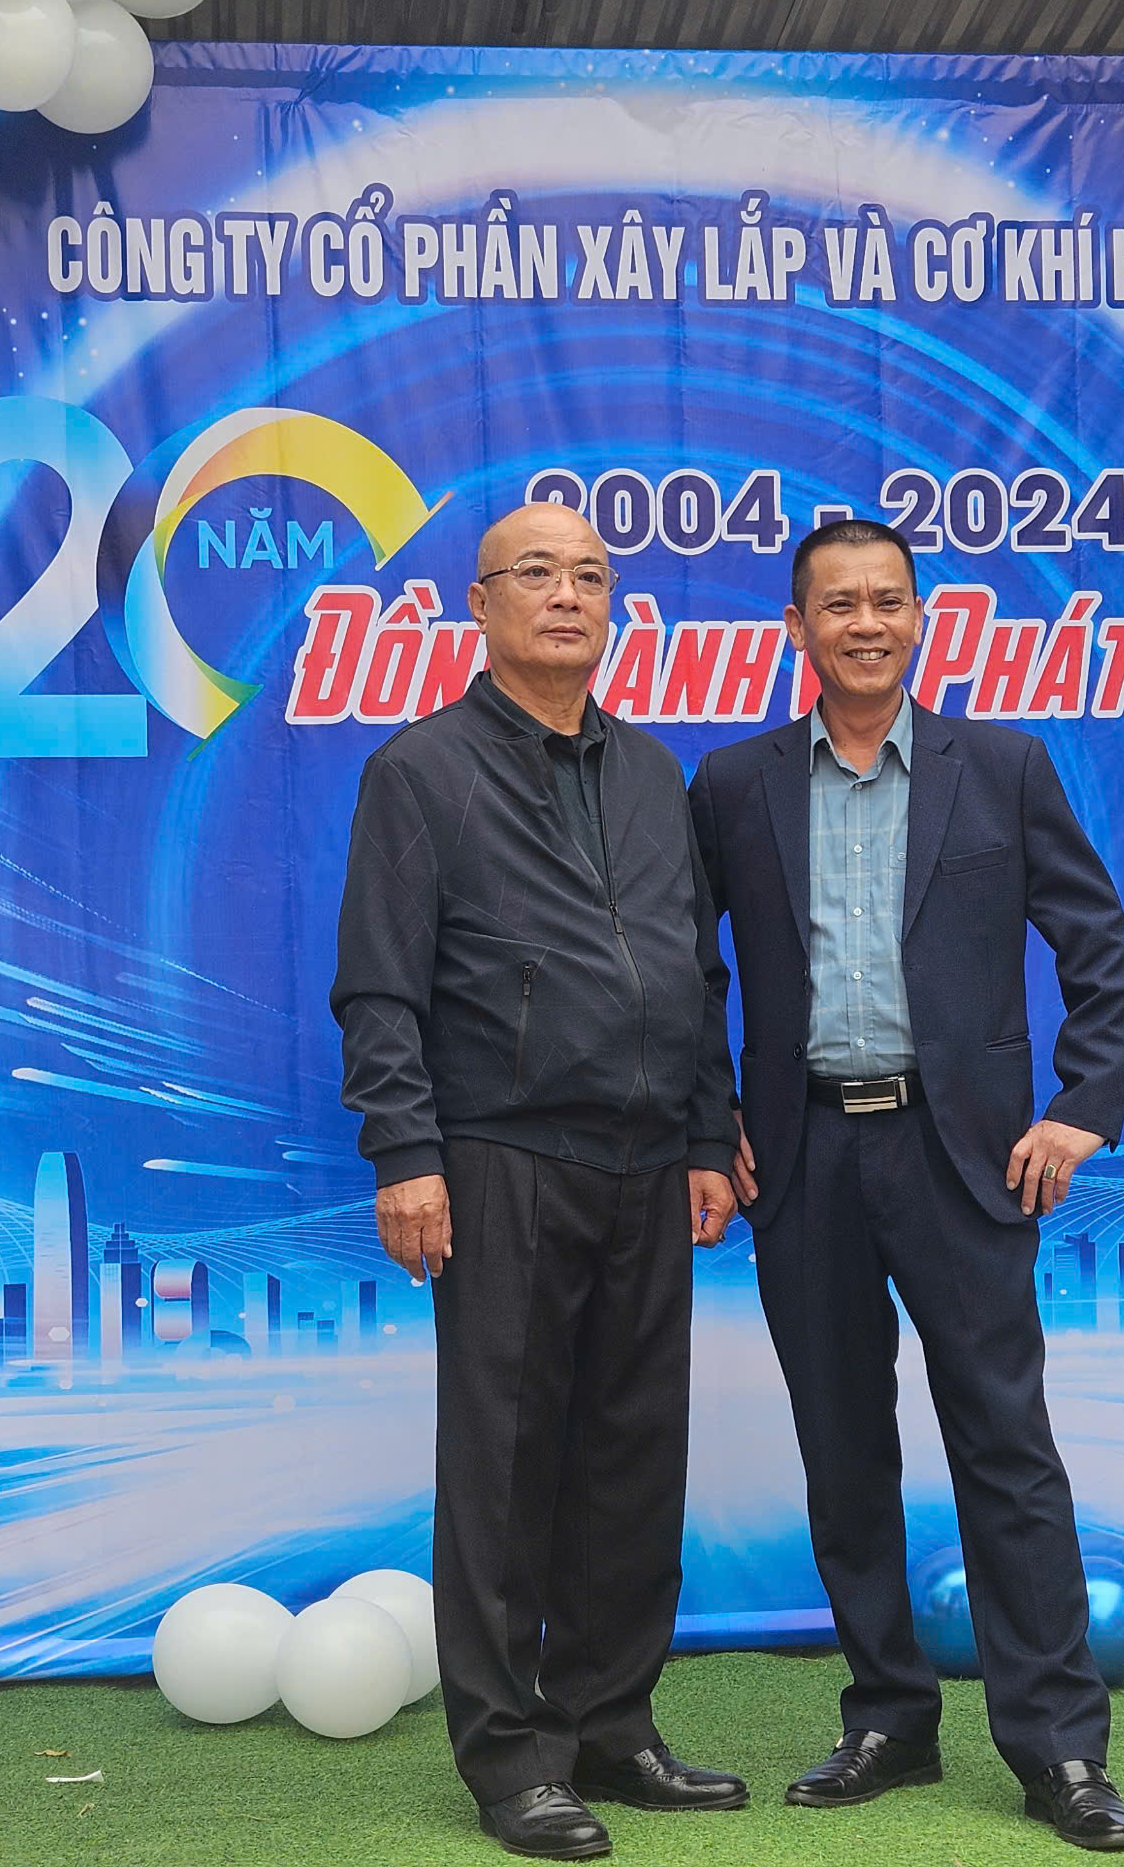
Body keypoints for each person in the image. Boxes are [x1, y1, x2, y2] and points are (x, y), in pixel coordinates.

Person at [688, 519, 1124, 1852]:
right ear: (798, 626)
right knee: (844, 1454)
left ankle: (1059, 1750)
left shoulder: (1000, 768)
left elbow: (1096, 943)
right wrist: (710, 1124)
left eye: (888, 601)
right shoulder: (734, 785)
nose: (866, 624)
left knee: (1007, 1448)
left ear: (919, 618)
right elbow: (681, 965)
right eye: (839, 604)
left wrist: (1080, 1109)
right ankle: (888, 1717)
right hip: (805, 1158)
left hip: (963, 1159)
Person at [332, 502, 748, 1861]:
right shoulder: (421, 771)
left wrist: (708, 1135)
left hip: (649, 1166)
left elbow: (695, 970)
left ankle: (611, 1725)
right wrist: (406, 1156)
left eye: (591, 576)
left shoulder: (654, 772)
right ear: (482, 602)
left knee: (634, 1461)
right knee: (506, 1472)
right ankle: (513, 1759)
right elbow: (379, 987)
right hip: (500, 1159)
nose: (568, 596)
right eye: (537, 574)